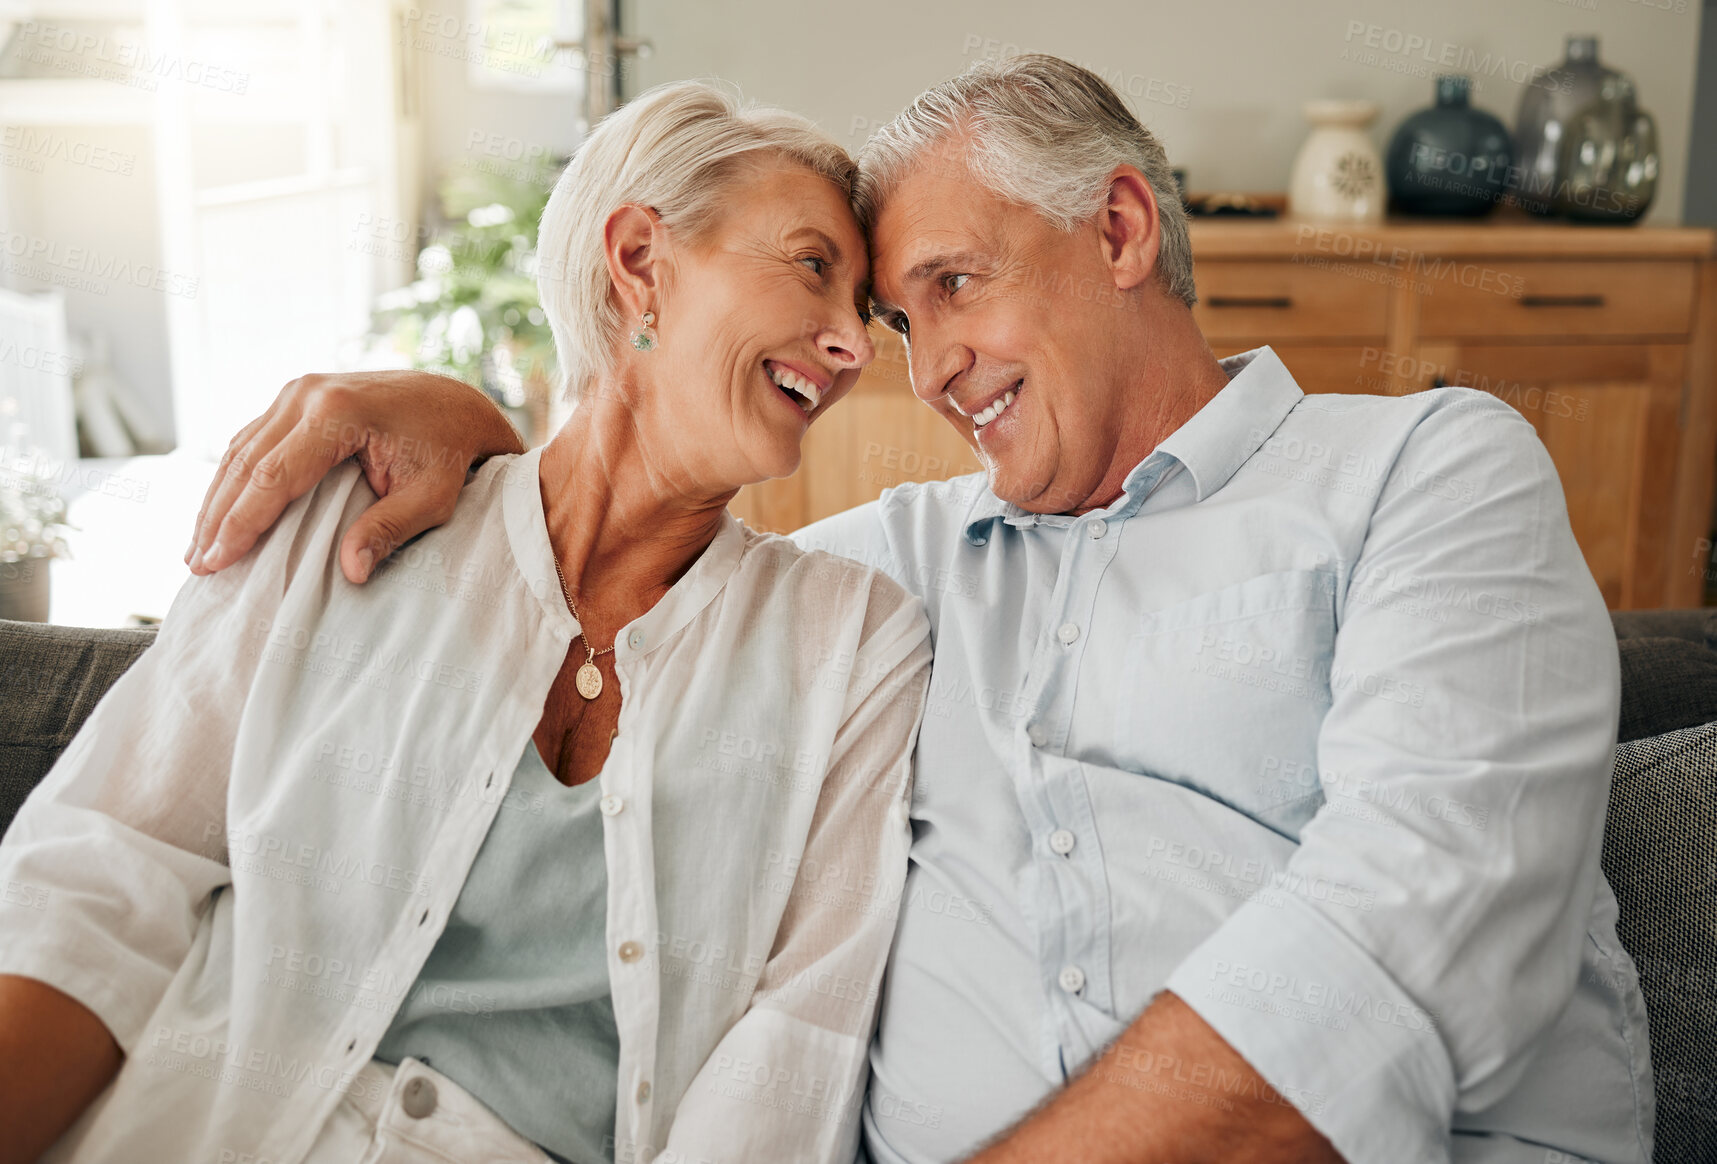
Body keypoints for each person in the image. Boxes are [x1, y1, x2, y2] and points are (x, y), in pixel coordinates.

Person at [180, 55, 1651, 1164]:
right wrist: (460, 418)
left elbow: (1407, 926)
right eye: (896, 320)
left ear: (1122, 228)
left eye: (956, 285)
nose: (925, 366)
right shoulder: (887, 573)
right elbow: (628, 551)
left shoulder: (1423, 473)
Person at [0, 80, 932, 1164]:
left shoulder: (851, 643)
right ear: (639, 262)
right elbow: (111, 870)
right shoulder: (346, 510)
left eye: (864, 311)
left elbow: (792, 1050)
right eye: (815, 267)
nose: (853, 347)